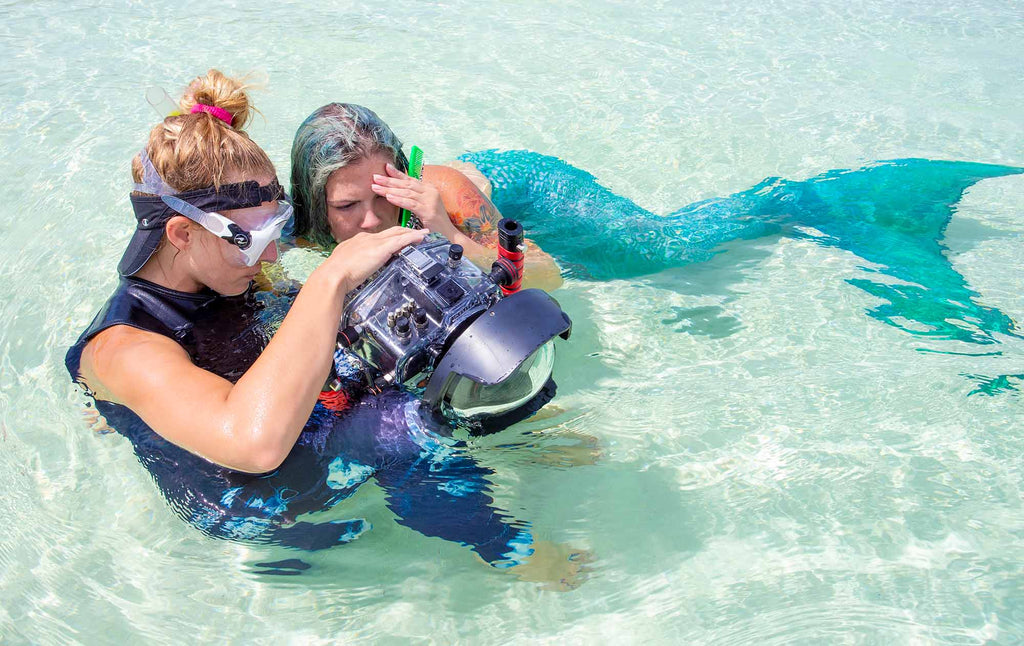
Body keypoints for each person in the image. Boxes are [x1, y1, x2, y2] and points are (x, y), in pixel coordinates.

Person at [66, 71, 587, 586]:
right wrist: (330, 277)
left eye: (277, 226)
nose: (271, 252)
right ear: (181, 231)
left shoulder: (217, 269)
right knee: (399, 420)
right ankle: (502, 547)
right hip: (251, 498)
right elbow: (254, 445)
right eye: (252, 238)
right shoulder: (123, 348)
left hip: (296, 416)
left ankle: (506, 441)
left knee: (399, 341)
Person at [288, 102, 563, 292]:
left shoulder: (445, 194)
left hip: (497, 182)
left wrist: (447, 233)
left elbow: (549, 276)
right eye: (346, 206)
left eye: (385, 195)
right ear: (314, 204)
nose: (371, 221)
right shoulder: (298, 234)